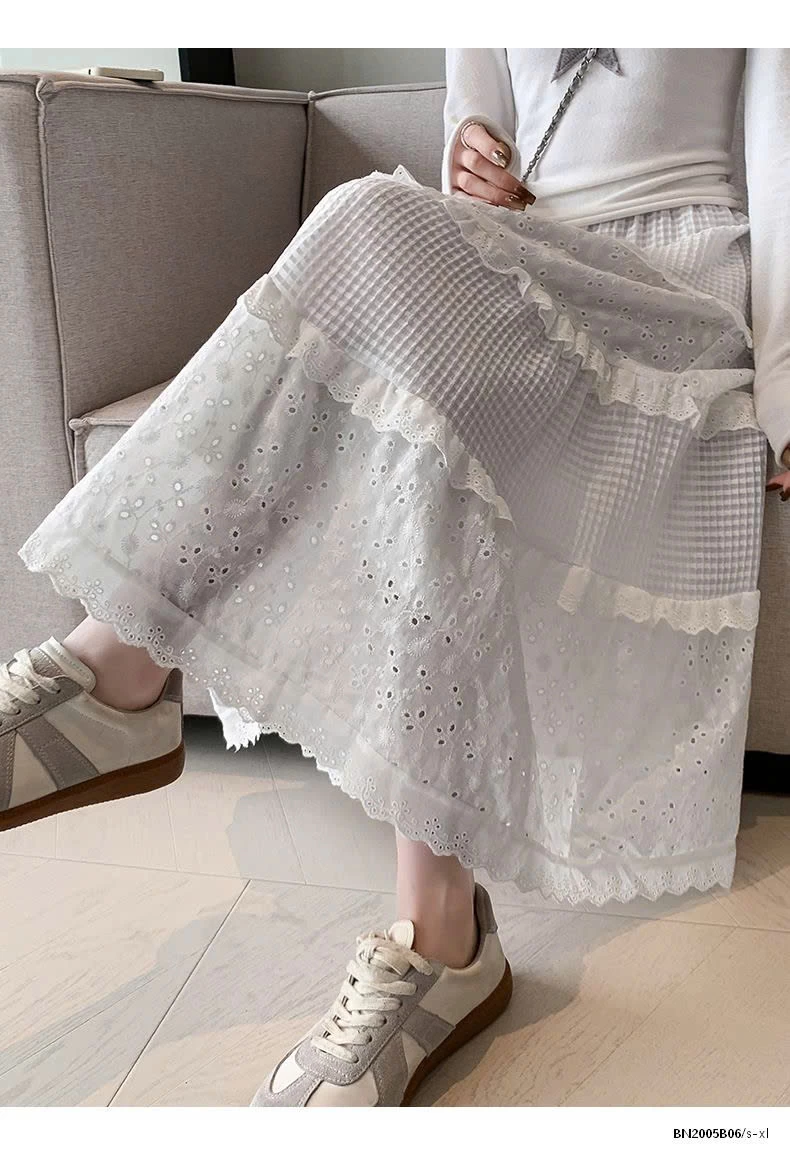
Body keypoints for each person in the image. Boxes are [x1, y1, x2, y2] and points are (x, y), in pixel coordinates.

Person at [1, 48, 788, 1108]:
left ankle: (119, 671)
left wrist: (785, 389)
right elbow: (475, 127)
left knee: (369, 218)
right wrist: (471, 153)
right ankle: (442, 936)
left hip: (670, 287)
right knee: (407, 325)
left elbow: (778, 152)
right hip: (520, 262)